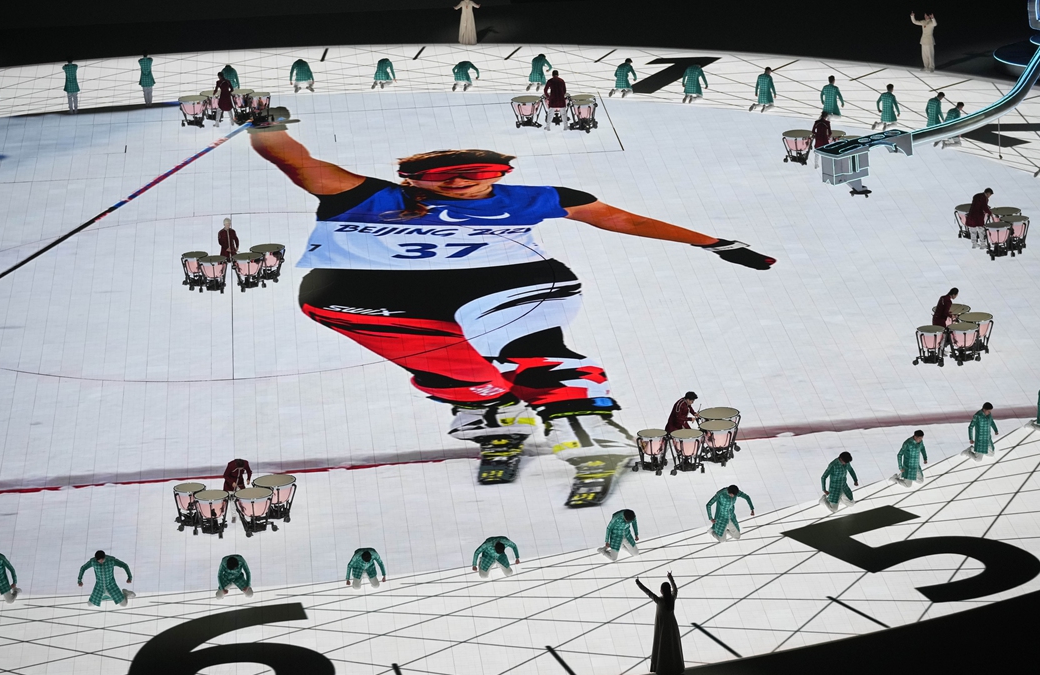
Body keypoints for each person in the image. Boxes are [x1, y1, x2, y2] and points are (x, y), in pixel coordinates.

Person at [246, 114, 776, 499]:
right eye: (441, 180)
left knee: (526, 349)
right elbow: (294, 160)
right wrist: (264, 127)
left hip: (501, 282)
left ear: (497, 174)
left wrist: (712, 243)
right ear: (413, 180)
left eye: (474, 176)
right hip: (378, 297)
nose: (460, 186)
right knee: (451, 369)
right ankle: (495, 420)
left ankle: (589, 434)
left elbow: (623, 220)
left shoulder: (531, 198)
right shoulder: (364, 195)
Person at [634, 571, 684, 675]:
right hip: (672, 626)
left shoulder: (659, 600)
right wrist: (670, 577)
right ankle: (674, 667)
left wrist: (639, 583)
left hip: (662, 627)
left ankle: (663, 668)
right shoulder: (672, 599)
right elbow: (675, 589)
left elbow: (648, 592)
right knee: (672, 646)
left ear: (661, 591)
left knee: (662, 646)